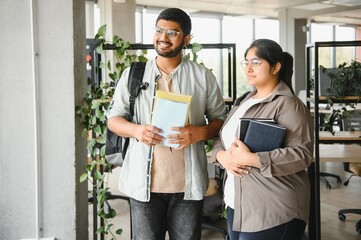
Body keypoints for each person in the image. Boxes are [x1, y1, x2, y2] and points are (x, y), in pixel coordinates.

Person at [106, 8, 227, 240]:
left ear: (186, 39)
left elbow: (220, 119)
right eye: (159, 30)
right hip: (144, 187)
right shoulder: (134, 74)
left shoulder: (202, 76)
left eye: (172, 32)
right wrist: (137, 130)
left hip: (187, 188)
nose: (163, 37)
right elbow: (113, 119)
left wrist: (199, 132)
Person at [212, 39, 314, 240]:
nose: (249, 68)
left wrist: (250, 159)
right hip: (237, 203)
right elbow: (221, 138)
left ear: (276, 67)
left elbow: (303, 155)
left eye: (256, 62)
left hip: (273, 209)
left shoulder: (289, 105)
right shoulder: (243, 101)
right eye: (246, 62)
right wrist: (222, 156)